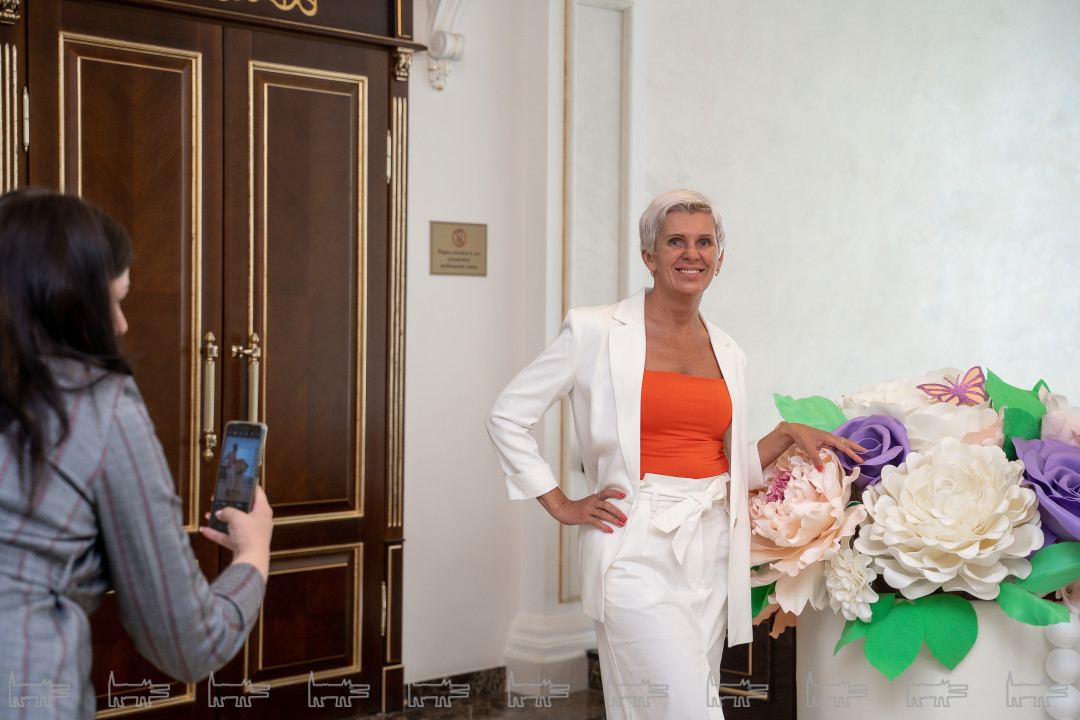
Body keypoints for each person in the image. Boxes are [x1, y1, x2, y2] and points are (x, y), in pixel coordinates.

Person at [486, 189, 863, 719]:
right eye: (675, 242)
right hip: (633, 543)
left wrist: (781, 436)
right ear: (649, 256)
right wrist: (561, 504)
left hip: (712, 547)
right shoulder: (595, 330)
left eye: (704, 242)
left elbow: (716, 463)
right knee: (684, 707)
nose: (692, 253)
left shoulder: (727, 349)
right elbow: (508, 415)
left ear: (719, 258)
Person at [0, 188, 273, 718]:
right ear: (65, 299)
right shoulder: (96, 402)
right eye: (114, 299)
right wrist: (253, 554)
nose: (122, 324)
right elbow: (188, 644)